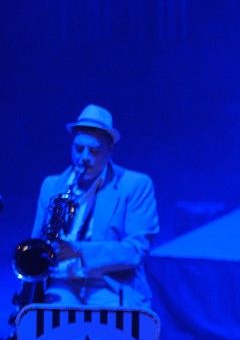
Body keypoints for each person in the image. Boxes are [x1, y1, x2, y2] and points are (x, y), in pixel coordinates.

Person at [31, 104, 159, 308]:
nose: (84, 158)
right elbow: (37, 242)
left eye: (94, 151)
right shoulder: (52, 185)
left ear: (110, 150)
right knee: (52, 320)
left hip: (111, 284)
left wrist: (78, 251)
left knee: (108, 323)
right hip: (62, 282)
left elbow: (136, 250)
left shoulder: (135, 184)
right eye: (78, 148)